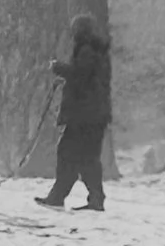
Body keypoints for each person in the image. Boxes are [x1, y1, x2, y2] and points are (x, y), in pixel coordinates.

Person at [36, 13, 112, 210]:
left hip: (85, 116)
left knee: (71, 155)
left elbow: (80, 76)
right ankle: (87, 198)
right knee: (84, 157)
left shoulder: (86, 50)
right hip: (93, 115)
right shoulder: (97, 50)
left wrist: (59, 68)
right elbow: (89, 79)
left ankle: (68, 197)